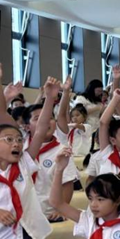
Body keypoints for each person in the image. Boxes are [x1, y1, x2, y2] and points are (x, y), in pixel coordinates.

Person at [0, 74, 59, 239]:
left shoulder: (24, 163)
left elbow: (40, 129)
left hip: (27, 236)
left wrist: (49, 98)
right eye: (9, 140)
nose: (16, 144)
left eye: (19, 140)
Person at [27, 90, 80, 221]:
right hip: (22, 214)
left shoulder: (62, 151)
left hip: (48, 213)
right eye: (37, 119)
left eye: (50, 118)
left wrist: (61, 210)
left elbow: (67, 184)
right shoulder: (21, 148)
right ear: (26, 126)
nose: (45, 122)